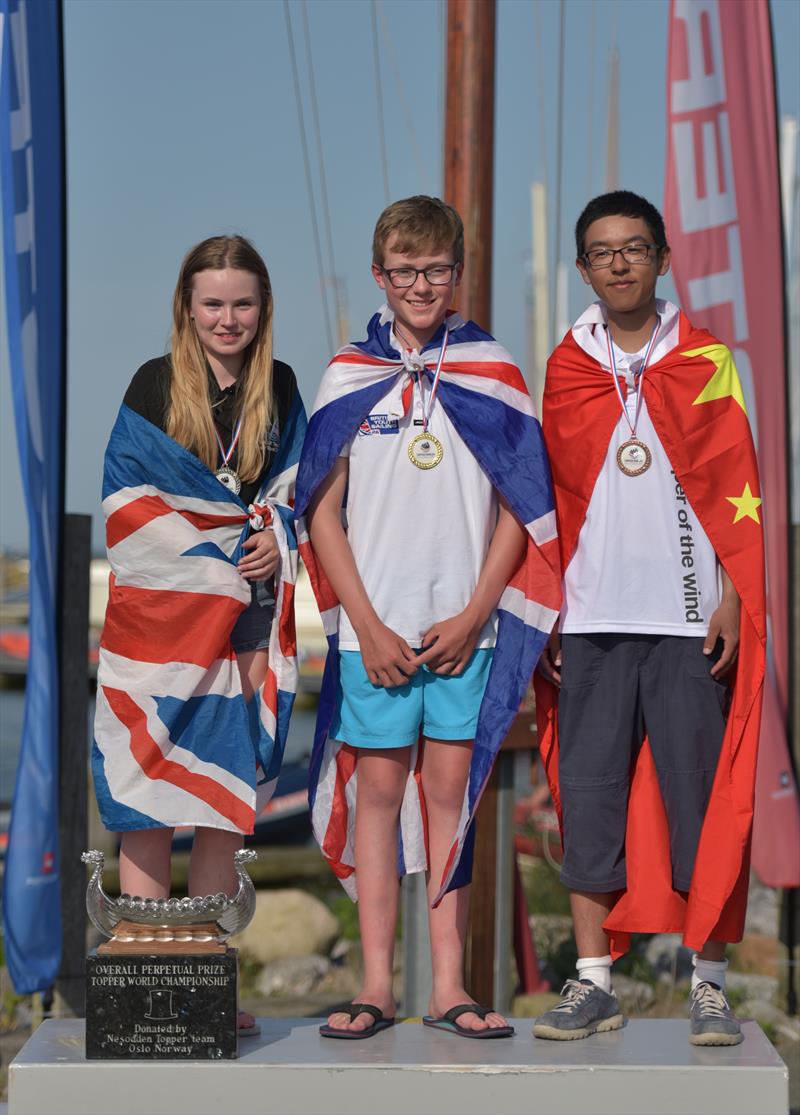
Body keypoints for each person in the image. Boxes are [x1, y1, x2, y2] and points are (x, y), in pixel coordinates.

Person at [295, 196, 560, 1039]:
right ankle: (376, 980)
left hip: (464, 627)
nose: (419, 284)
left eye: (435, 271)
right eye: (403, 271)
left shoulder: (492, 369)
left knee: (452, 792)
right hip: (378, 628)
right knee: (377, 793)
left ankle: (449, 982)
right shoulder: (347, 375)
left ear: (456, 275)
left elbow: (523, 502)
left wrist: (480, 604)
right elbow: (321, 513)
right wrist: (365, 624)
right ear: (380, 275)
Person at [532, 191, 765, 1046]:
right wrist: (544, 604)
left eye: (635, 247)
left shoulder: (708, 359)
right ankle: (594, 981)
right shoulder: (566, 364)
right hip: (590, 615)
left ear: (663, 258)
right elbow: (545, 497)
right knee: (585, 799)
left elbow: (739, 487)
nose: (619, 262)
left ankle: (708, 982)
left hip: (689, 617)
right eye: (602, 250)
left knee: (699, 803)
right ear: (584, 266)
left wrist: (736, 593)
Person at [92, 235, 307, 1036]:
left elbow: (301, 489)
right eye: (213, 303)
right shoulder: (154, 383)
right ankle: (147, 981)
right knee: (148, 789)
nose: (228, 319)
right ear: (188, 305)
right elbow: (126, 505)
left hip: (246, 619)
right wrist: (215, 543)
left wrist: (274, 535)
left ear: (264, 308)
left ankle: (205, 983)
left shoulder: (278, 386)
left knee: (222, 793)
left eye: (243, 304)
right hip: (161, 624)